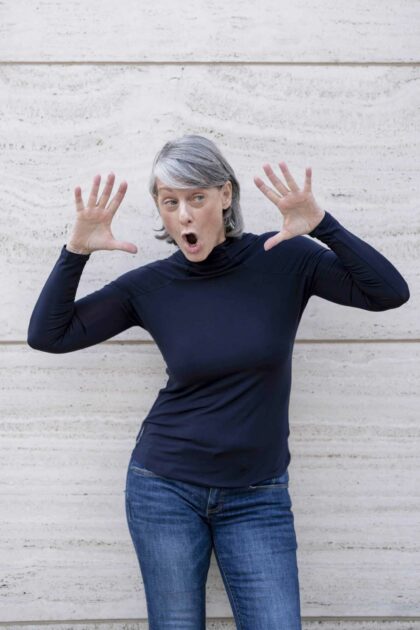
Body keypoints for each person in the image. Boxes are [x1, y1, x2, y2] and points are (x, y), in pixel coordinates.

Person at [27, 134, 410, 629]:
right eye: (170, 202)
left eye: (197, 198)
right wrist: (76, 251)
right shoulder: (149, 287)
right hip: (164, 489)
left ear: (225, 195)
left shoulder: (285, 259)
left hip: (258, 495)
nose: (184, 215)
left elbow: (388, 293)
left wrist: (322, 225)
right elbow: (49, 335)